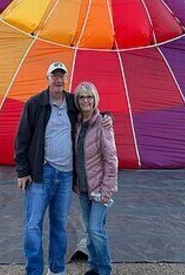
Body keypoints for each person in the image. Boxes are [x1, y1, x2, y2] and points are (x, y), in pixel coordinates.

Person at [15, 61, 78, 275]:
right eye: (54, 75)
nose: (58, 79)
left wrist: (107, 119)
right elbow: (22, 138)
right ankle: (34, 271)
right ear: (47, 78)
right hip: (42, 173)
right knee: (33, 224)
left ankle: (57, 270)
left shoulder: (73, 103)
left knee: (59, 225)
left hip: (66, 174)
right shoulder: (35, 104)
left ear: (66, 79)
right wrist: (23, 171)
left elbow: (92, 113)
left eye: (62, 75)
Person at [73, 81, 118, 275]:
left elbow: (111, 158)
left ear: (95, 99)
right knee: (89, 230)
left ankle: (105, 269)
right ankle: (93, 268)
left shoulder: (103, 123)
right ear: (77, 100)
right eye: (82, 97)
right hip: (83, 188)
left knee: (95, 230)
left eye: (89, 97)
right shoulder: (75, 123)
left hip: (100, 188)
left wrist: (107, 189)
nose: (86, 101)